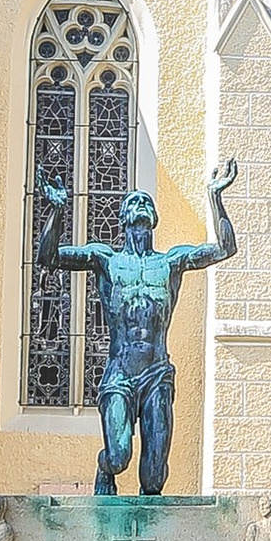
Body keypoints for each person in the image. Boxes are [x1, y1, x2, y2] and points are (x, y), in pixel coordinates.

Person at [42, 161, 238, 496]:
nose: (141, 205)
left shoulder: (170, 262)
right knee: (119, 456)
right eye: (133, 202)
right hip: (119, 374)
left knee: (153, 479)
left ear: (154, 218)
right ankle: (104, 471)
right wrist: (58, 210)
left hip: (157, 374)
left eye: (146, 201)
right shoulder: (105, 260)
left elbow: (224, 249)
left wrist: (214, 197)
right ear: (122, 218)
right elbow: (50, 258)